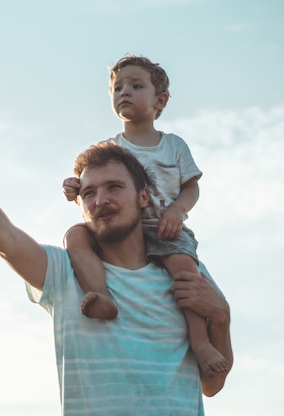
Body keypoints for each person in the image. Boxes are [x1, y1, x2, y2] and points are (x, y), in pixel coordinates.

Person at [0, 136, 233, 415]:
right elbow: (4, 236)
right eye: (89, 193)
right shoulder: (65, 272)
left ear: (143, 196)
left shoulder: (185, 273)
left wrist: (221, 316)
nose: (100, 200)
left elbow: (212, 384)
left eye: (114, 187)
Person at [62, 54, 228, 377]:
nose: (124, 92)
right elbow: (87, 183)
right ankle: (101, 295)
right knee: (74, 236)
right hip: (121, 231)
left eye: (136, 86)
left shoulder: (174, 146)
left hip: (165, 228)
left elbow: (192, 188)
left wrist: (178, 210)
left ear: (159, 101)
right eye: (118, 88)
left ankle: (200, 341)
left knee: (186, 274)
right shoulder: (109, 148)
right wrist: (72, 186)